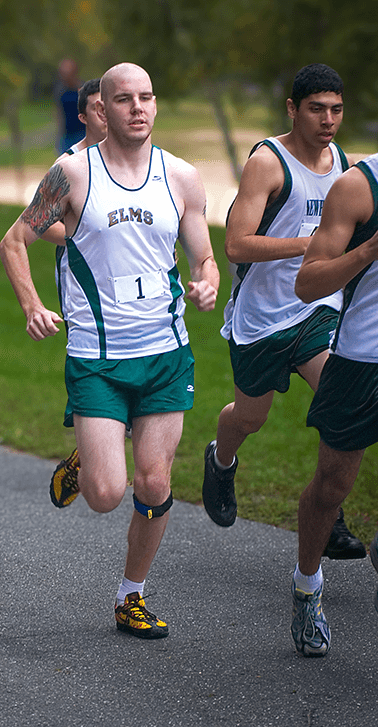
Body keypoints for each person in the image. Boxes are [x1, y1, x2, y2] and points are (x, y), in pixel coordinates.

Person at [0, 62, 219, 639]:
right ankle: (88, 463)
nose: (138, 108)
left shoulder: (183, 177)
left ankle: (131, 595)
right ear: (104, 107)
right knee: (103, 494)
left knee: (154, 481)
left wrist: (208, 280)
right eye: (125, 99)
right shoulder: (72, 174)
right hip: (97, 356)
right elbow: (15, 239)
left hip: (166, 352)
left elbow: (203, 254)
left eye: (147, 97)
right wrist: (32, 305)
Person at [201, 64, 364, 559]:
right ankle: (221, 459)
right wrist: (310, 245)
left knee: (340, 400)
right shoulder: (268, 163)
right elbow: (234, 244)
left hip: (317, 310)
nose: (328, 119)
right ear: (292, 109)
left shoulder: (342, 163)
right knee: (249, 417)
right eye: (316, 108)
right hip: (262, 318)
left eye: (336, 109)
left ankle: (328, 511)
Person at [291, 151, 378, 656]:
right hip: (362, 358)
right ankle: (307, 587)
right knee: (333, 486)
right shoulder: (359, 187)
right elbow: (308, 283)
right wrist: (368, 252)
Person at [55, 58, 83, 155]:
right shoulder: (60, 91)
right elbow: (59, 113)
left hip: (82, 132)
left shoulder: (82, 89)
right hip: (67, 135)